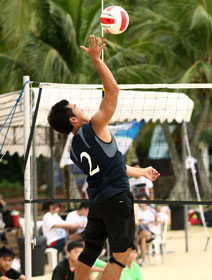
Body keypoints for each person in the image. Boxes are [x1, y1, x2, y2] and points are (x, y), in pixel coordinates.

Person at [47, 35, 160, 280]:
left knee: (89, 252)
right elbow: (113, 90)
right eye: (75, 106)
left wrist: (140, 172)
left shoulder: (74, 148)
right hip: (116, 197)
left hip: (97, 201)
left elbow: (111, 165)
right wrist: (96, 60)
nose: (80, 106)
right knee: (122, 255)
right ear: (72, 119)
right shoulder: (96, 126)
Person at [136, 194, 158, 266]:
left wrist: (149, 222)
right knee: (142, 237)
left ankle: (140, 256)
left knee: (142, 235)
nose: (142, 203)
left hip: (150, 233)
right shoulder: (137, 210)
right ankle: (144, 259)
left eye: (143, 201)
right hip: (139, 232)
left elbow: (156, 222)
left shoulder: (150, 210)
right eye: (141, 201)